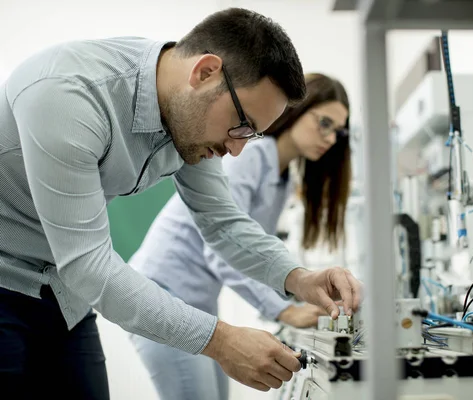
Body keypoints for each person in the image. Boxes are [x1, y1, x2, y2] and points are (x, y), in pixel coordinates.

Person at [0, 8, 362, 399]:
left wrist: (299, 278)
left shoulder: (186, 116)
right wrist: (221, 340)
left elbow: (222, 222)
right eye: (242, 124)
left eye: (253, 135)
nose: (237, 150)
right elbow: (90, 265)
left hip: (64, 296)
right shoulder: (66, 95)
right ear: (205, 72)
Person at [128, 72, 352, 400]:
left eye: (338, 131)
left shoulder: (283, 178)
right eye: (324, 123)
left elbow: (257, 251)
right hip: (162, 294)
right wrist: (284, 310)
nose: (331, 138)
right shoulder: (250, 156)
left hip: (198, 305)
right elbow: (222, 250)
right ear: (298, 111)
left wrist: (299, 291)